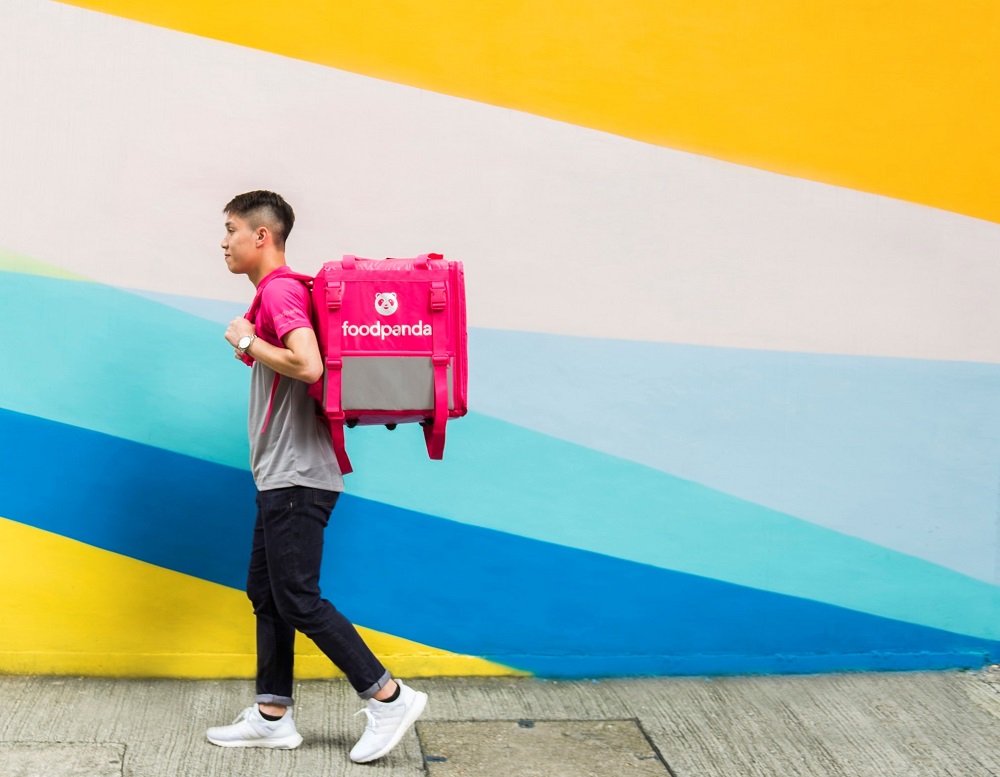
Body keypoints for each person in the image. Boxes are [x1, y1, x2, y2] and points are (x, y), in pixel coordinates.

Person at [206, 190, 427, 763]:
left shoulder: (278, 291)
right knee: (268, 594)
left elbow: (309, 365)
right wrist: (256, 344)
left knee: (298, 598)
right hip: (282, 475)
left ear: (262, 236)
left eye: (230, 229)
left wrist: (248, 341)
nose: (222, 240)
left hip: (297, 476)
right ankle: (272, 714)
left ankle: (388, 696)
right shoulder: (278, 294)